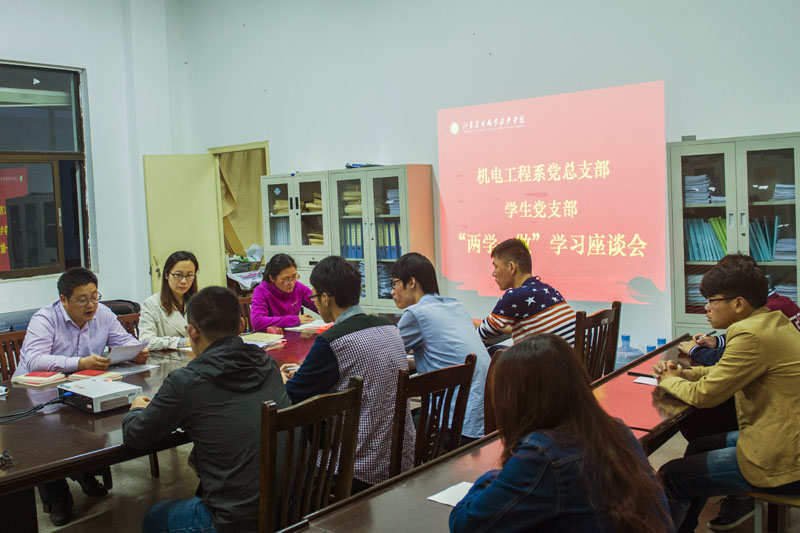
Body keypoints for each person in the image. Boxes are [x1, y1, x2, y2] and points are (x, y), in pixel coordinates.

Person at [449, 334, 671, 532]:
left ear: (515, 399)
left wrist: (493, 477)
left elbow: (464, 523)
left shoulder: (542, 455)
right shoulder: (615, 428)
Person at [123, 286, 290, 533]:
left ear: (191, 331)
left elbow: (137, 435)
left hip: (238, 522)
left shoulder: (186, 381)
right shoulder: (267, 363)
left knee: (154, 518)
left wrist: (136, 410)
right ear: (242, 324)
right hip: (294, 505)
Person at [655, 254, 800, 532]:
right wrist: (685, 374)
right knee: (700, 446)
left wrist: (668, 380)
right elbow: (724, 372)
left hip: (784, 460)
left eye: (712, 300)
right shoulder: (770, 321)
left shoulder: (749, 334)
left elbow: (705, 396)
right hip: (785, 439)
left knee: (671, 477)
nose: (706, 308)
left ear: (738, 304)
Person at [15, 267, 149, 526]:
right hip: (36, 394)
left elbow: (123, 340)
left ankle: (85, 472)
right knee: (46, 436)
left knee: (102, 419)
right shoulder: (45, 319)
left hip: (83, 388)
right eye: (83, 299)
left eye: (95, 296)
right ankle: (58, 497)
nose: (91, 305)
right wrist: (79, 362)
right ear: (63, 300)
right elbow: (34, 360)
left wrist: (135, 351)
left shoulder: (103, 313)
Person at [282, 256, 414, 492]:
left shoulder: (332, 341)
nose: (315, 302)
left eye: (314, 296)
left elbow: (290, 397)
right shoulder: (390, 327)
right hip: (401, 457)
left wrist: (283, 379)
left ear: (326, 298)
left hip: (359, 467)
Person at [390, 252, 490, 443]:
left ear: (411, 282)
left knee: (395, 432)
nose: (392, 292)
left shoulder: (416, 313)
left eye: (394, 284)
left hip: (454, 422)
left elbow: (389, 356)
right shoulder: (456, 306)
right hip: (483, 416)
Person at [477, 238, 576, 346]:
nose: (493, 273)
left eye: (496, 266)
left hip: (553, 356)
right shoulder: (549, 290)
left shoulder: (514, 296)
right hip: (574, 355)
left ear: (511, 267)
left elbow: (479, 336)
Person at [139, 250, 199, 350]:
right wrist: (182, 342)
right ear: (167, 274)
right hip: (167, 357)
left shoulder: (198, 302)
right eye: (178, 275)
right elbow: (146, 341)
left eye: (189, 276)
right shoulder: (151, 304)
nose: (184, 281)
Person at [251, 253, 317, 330]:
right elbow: (257, 322)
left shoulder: (297, 287)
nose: (291, 283)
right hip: (268, 336)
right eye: (286, 279)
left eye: (294, 276)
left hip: (292, 333)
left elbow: (318, 303)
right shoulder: (261, 291)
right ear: (272, 278)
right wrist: (294, 320)